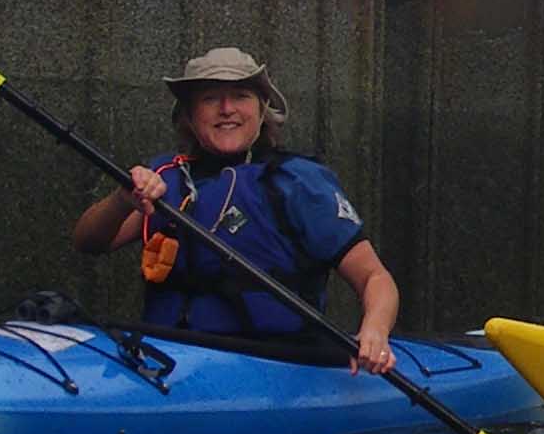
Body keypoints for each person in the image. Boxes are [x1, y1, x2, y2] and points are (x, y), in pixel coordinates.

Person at [70, 48, 402, 372]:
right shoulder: (165, 178)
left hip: (273, 362)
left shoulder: (298, 183)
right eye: (210, 98)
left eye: (241, 96)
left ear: (262, 109)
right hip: (170, 358)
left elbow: (374, 277)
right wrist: (121, 200)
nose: (226, 109)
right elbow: (88, 241)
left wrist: (375, 330)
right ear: (189, 115)